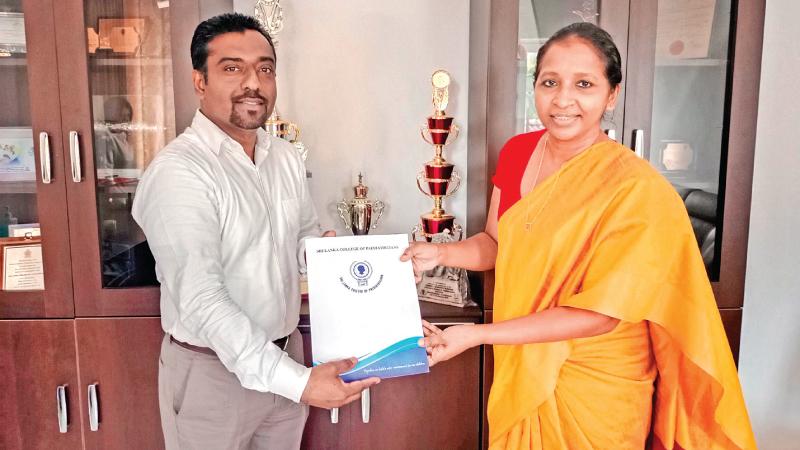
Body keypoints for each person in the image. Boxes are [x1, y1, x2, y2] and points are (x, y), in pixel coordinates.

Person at [402, 22, 756, 449]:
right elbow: (496, 244)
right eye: (550, 82)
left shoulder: (633, 187)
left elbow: (602, 314)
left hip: (599, 383)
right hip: (525, 358)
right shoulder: (517, 152)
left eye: (584, 84)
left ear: (612, 95)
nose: (563, 100)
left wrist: (477, 335)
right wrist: (439, 255)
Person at [132, 13, 378, 450]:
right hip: (213, 374)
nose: (254, 82)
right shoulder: (179, 172)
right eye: (232, 68)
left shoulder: (282, 156)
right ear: (200, 81)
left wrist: (348, 263)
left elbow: (301, 238)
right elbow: (202, 298)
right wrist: (298, 383)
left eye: (265, 68)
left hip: (285, 358)